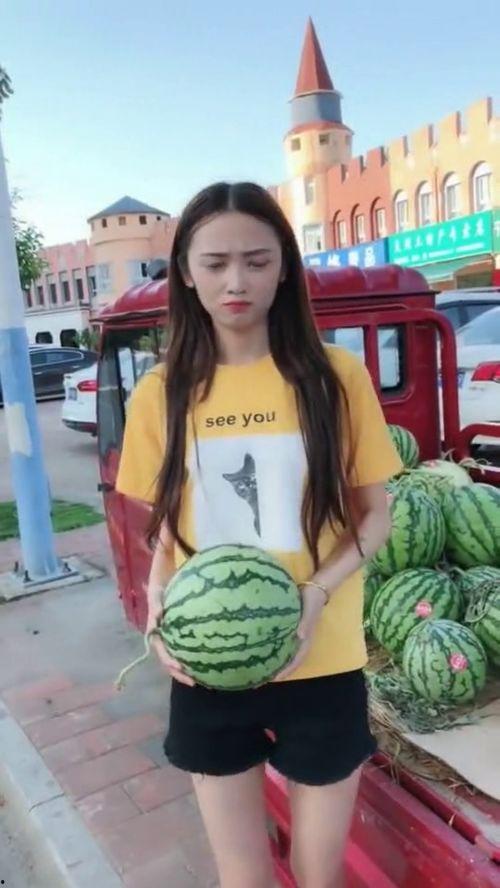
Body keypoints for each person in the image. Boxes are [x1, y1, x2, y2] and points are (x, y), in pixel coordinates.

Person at [115, 181, 402, 888]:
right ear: (186, 272)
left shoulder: (335, 378)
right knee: (243, 877)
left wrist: (316, 593)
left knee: (319, 873)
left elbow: (376, 515)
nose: (236, 282)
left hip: (322, 656)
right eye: (215, 263)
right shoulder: (161, 393)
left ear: (284, 269)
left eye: (256, 260)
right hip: (209, 666)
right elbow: (167, 529)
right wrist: (158, 612)